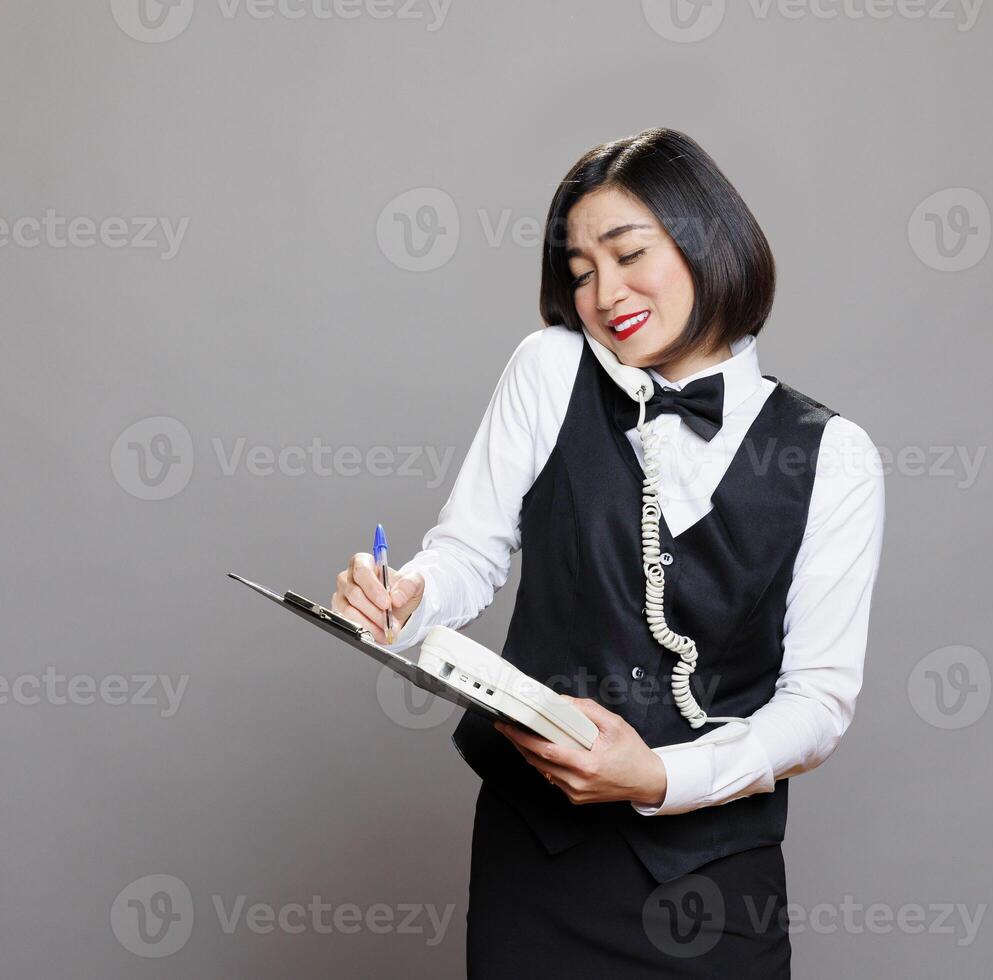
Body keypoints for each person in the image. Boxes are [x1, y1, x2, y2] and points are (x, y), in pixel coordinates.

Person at [331, 127, 885, 978]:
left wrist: (658, 776)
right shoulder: (550, 369)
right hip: (538, 866)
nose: (603, 294)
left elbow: (817, 707)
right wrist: (406, 597)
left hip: (714, 888)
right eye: (581, 273)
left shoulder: (836, 455)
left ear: (709, 243)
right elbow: (469, 552)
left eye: (629, 255)